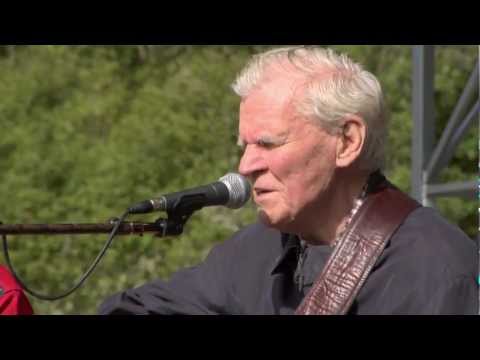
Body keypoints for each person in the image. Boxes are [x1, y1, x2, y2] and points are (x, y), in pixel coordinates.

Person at [98, 46, 478, 315]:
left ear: (346, 142)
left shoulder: (435, 271)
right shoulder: (254, 251)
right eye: (244, 145)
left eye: (267, 143)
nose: (246, 165)